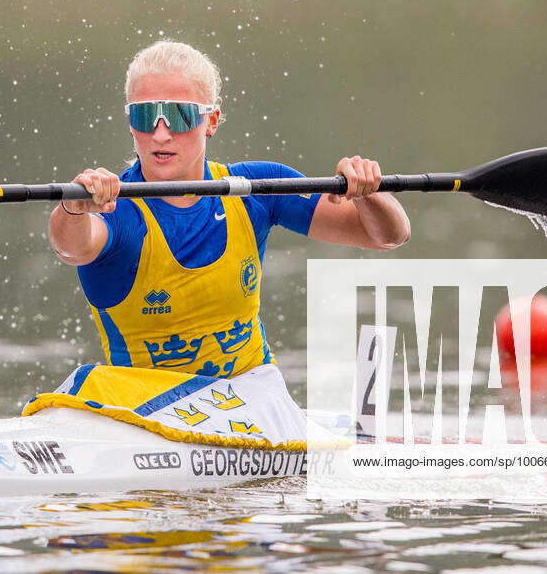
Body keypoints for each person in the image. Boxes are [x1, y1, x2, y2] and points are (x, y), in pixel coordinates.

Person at [26, 40, 410, 446]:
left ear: (211, 120)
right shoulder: (113, 208)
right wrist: (72, 209)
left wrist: (370, 192)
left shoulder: (255, 189)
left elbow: (386, 235)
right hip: (144, 408)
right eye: (144, 116)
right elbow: (72, 248)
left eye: (178, 115)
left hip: (249, 397)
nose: (160, 133)